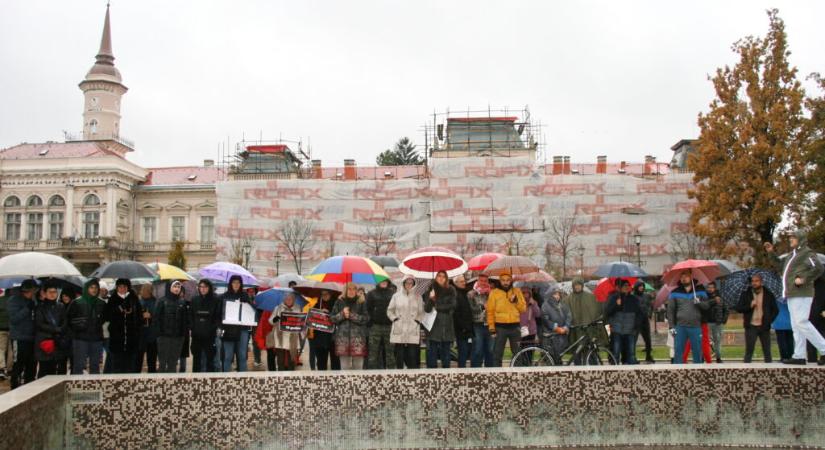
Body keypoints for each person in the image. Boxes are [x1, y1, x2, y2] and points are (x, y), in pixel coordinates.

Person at [778, 231, 825, 365]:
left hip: (802, 293)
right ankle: (799, 355)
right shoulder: (793, 255)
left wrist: (804, 279)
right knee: (796, 326)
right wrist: (770, 253)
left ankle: (823, 349)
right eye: (790, 238)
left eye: (793, 238)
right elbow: (780, 267)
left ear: (801, 239)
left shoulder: (807, 253)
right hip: (792, 293)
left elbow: (818, 268)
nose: (791, 240)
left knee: (801, 322)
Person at [667, 271, 710, 364]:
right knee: (678, 352)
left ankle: (697, 372)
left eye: (686, 276)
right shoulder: (674, 292)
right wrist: (671, 326)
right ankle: (678, 373)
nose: (683, 278)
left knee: (697, 352)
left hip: (696, 326)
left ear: (691, 277)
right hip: (680, 327)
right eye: (682, 276)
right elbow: (670, 311)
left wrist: (699, 303)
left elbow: (707, 306)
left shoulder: (700, 290)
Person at [735, 273, 778, 363]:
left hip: (764, 326)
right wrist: (749, 306)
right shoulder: (746, 294)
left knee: (767, 351)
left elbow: (775, 310)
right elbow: (739, 308)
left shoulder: (769, 294)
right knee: (749, 351)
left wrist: (768, 321)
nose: (754, 283)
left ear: (761, 282)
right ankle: (746, 370)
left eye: (756, 281)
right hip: (751, 326)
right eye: (752, 281)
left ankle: (769, 370)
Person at [66, 279, 106, 375]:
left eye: (96, 287)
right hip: (80, 338)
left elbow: (104, 318)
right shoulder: (77, 302)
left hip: (96, 338)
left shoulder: (102, 303)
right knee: (79, 365)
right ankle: (77, 387)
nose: (94, 290)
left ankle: (94, 386)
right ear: (86, 288)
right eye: (91, 287)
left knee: (95, 365)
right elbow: (68, 319)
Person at [487, 272, 526, 367]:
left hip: (515, 327)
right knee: (497, 353)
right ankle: (497, 375)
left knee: (517, 353)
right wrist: (492, 328)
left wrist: (516, 301)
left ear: (511, 281)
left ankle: (517, 374)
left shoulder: (517, 291)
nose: (505, 282)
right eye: (503, 280)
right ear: (500, 281)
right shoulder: (494, 293)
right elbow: (490, 312)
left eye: (508, 280)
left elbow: (523, 309)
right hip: (500, 327)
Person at [104, 279, 143, 373]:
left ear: (128, 288)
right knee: (117, 363)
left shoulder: (133, 298)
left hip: (131, 338)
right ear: (117, 288)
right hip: (117, 338)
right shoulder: (112, 299)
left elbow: (139, 316)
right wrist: (119, 309)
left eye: (124, 287)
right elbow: (107, 315)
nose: (122, 289)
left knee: (130, 364)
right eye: (120, 287)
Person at [387, 275, 424, 369]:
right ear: (403, 283)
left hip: (412, 328)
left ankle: (412, 377)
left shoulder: (418, 297)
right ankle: (399, 376)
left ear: (414, 284)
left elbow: (421, 312)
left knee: (412, 356)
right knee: (399, 356)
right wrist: (395, 319)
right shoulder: (396, 296)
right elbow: (390, 310)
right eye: (407, 282)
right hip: (399, 328)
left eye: (411, 283)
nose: (409, 285)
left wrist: (417, 321)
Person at [330, 282, 369, 370]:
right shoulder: (339, 302)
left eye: (354, 289)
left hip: (358, 340)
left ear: (356, 290)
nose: (351, 291)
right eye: (349, 289)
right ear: (345, 290)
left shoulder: (361, 301)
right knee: (344, 368)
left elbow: (366, 318)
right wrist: (342, 314)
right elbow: (332, 318)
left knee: (358, 368)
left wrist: (351, 315)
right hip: (343, 340)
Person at [605, 279, 644, 364]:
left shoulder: (634, 299)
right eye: (624, 286)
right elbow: (607, 312)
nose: (626, 287)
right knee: (616, 352)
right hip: (617, 331)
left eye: (628, 286)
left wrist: (636, 326)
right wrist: (616, 305)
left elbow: (640, 314)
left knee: (631, 354)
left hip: (630, 331)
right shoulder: (614, 298)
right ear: (620, 287)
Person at [423, 270, 456, 369]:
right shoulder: (430, 290)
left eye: (443, 276)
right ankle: (431, 375)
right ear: (436, 277)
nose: (441, 278)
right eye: (439, 276)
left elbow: (452, 306)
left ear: (446, 278)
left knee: (446, 352)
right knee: (431, 352)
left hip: (446, 325)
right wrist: (431, 299)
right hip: (433, 326)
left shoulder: (451, 290)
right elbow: (427, 309)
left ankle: (446, 375)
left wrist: (437, 306)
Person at [9, 279, 38, 388]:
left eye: (32, 291)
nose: (30, 293)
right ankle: (15, 386)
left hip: (33, 338)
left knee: (31, 365)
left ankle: (29, 387)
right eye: (28, 291)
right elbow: (14, 319)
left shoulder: (35, 300)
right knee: (19, 363)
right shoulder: (14, 300)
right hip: (19, 338)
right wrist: (27, 309)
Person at [563, 278, 609, 348]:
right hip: (575, 328)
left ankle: (590, 358)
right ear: (573, 286)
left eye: (579, 285)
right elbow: (564, 311)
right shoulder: (568, 299)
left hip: (587, 328)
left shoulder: (590, 297)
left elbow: (596, 308)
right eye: (575, 285)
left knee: (589, 346)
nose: (577, 287)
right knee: (577, 347)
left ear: (582, 285)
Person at [154, 280, 188, 373]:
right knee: (162, 362)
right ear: (170, 288)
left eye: (178, 287)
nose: (177, 289)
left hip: (177, 337)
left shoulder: (182, 302)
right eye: (174, 287)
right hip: (164, 337)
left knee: (173, 363)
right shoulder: (162, 301)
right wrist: (159, 334)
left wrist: (183, 335)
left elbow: (185, 320)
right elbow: (156, 319)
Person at [221, 275, 252, 372]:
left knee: (242, 356)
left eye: (238, 282)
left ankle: (242, 379)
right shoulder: (224, 296)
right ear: (230, 283)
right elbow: (220, 313)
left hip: (242, 329)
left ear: (241, 284)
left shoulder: (245, 295)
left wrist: (247, 303)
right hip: (228, 329)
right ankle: (226, 378)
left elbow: (251, 311)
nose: (236, 284)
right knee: (228, 356)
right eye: (234, 282)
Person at [34, 283, 66, 378]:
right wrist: (56, 329)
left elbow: (64, 321)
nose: (52, 294)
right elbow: (39, 324)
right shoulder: (40, 307)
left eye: (54, 292)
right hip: (44, 341)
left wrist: (60, 330)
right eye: (50, 292)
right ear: (45, 293)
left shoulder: (61, 306)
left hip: (57, 341)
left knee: (54, 368)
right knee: (44, 368)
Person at [190, 279, 221, 372]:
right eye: (201, 287)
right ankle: (196, 379)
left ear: (209, 288)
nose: (203, 289)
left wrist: (212, 328)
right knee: (197, 359)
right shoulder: (194, 299)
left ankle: (209, 379)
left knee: (210, 359)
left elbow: (217, 316)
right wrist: (193, 328)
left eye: (205, 287)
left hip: (210, 334)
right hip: (197, 334)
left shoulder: (215, 300)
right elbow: (191, 315)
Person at [303, 289, 338, 370]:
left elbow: (338, 317)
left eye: (326, 294)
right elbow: (311, 319)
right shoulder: (317, 304)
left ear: (330, 294)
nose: (324, 296)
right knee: (321, 362)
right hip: (319, 338)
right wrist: (318, 312)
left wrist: (329, 313)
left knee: (335, 362)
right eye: (322, 294)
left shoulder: (336, 304)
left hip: (333, 338)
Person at [268, 293, 302, 371]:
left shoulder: (298, 308)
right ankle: (281, 377)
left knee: (292, 360)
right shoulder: (278, 308)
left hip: (293, 337)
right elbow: (270, 321)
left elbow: (301, 322)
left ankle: (290, 377)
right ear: (284, 299)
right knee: (280, 360)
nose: (288, 300)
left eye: (290, 299)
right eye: (287, 299)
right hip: (280, 337)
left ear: (293, 299)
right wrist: (275, 319)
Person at [366, 279, 395, 369]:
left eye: (385, 280)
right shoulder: (371, 293)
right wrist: (370, 322)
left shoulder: (393, 293)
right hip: (375, 326)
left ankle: (391, 374)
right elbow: (367, 309)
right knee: (373, 353)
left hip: (389, 326)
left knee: (390, 353)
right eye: (381, 280)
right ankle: (372, 375)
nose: (383, 282)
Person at [468, 274, 494, 367]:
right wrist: (482, 307)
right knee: (478, 349)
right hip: (477, 324)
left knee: (490, 350)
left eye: (485, 281)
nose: (483, 283)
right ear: (478, 281)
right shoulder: (471, 294)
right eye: (481, 280)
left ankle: (490, 372)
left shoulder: (491, 293)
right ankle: (475, 371)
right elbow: (470, 310)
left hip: (490, 324)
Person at [540, 287, 572, 357]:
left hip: (561, 335)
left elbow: (569, 316)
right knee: (551, 356)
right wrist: (556, 328)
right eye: (555, 294)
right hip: (551, 336)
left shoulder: (562, 304)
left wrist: (566, 327)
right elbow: (545, 320)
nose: (557, 296)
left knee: (559, 355)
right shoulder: (545, 305)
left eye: (558, 294)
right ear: (550, 295)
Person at [452, 276, 474, 368]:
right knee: (463, 353)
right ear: (456, 283)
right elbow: (456, 315)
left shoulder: (463, 293)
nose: (464, 283)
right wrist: (464, 327)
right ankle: (461, 373)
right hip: (462, 330)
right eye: (461, 281)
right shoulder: (456, 295)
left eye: (464, 281)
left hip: (467, 329)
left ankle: (463, 371)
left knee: (466, 353)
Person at [632, 280, 655, 363]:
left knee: (648, 339)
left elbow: (651, 305)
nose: (641, 287)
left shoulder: (647, 296)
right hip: (636, 321)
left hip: (645, 320)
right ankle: (632, 357)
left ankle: (648, 356)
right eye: (640, 286)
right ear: (636, 287)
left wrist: (649, 314)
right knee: (634, 340)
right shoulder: (633, 297)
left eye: (642, 286)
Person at [136, 284, 158, 373]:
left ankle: (152, 377)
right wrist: (141, 316)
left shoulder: (156, 302)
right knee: (138, 360)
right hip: (140, 335)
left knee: (152, 360)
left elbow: (159, 317)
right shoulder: (138, 302)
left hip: (152, 336)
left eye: (143, 290)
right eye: (141, 290)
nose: (141, 291)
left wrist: (151, 316)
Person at [705, 281, 729, 363]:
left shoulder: (721, 298)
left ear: (715, 288)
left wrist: (723, 320)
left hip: (717, 323)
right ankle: (706, 357)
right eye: (708, 287)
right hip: (707, 322)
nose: (710, 289)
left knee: (717, 341)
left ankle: (718, 358)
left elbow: (726, 309)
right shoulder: (705, 297)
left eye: (711, 287)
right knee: (706, 341)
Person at [57, 287, 77, 374]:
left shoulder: (76, 306)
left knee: (74, 362)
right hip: (61, 338)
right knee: (61, 363)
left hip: (73, 338)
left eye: (67, 296)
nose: (65, 298)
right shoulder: (58, 307)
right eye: (63, 296)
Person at [518, 285, 542, 350]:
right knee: (521, 350)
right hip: (521, 330)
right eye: (523, 293)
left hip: (531, 330)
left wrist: (533, 304)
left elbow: (538, 314)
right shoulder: (518, 303)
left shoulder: (533, 303)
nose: (526, 295)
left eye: (527, 293)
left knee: (530, 350)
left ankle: (529, 360)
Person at [808, 274, 825, 362]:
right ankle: (812, 358)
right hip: (812, 310)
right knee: (810, 333)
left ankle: (821, 356)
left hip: (820, 309)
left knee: (821, 332)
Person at [0, 288, 11, 381]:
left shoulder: (0, 300)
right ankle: (10, 368)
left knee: (1, 349)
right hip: (12, 329)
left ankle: (1, 368)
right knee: (11, 350)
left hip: (1, 329)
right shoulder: (14, 302)